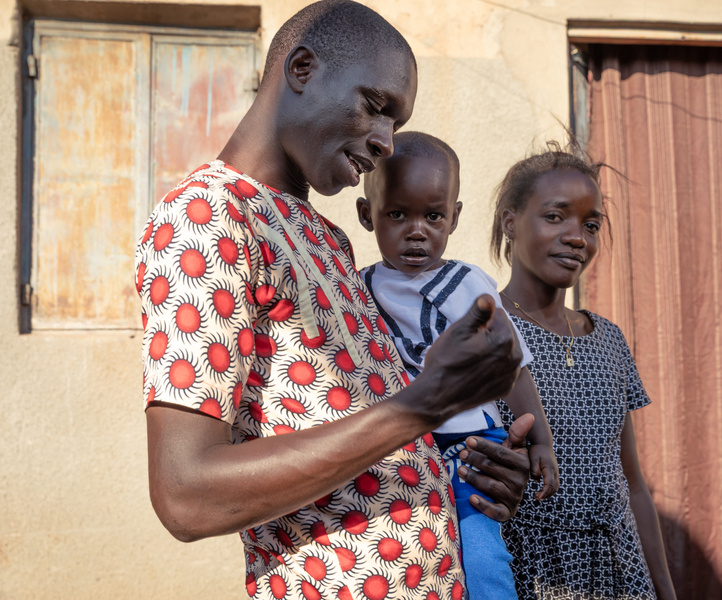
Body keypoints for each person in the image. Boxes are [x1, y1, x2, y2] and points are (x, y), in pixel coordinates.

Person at [134, 2, 532, 599]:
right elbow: (186, 493)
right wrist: (424, 405)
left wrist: (469, 469)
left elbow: (353, 433)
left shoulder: (327, 240)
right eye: (377, 107)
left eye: (396, 124)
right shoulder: (211, 216)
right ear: (302, 69)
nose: (385, 143)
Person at [355, 131, 560, 600]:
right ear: (368, 216)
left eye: (433, 216)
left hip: (471, 449)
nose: (416, 230)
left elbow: (514, 368)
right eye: (397, 214)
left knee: (482, 556)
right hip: (395, 451)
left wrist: (542, 442)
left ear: (454, 217)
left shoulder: (467, 284)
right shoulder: (356, 288)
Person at [490, 146, 677, 600]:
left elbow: (631, 484)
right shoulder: (485, 330)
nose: (578, 237)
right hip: (531, 567)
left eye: (590, 225)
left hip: (619, 568)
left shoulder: (608, 339)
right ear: (511, 222)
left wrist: (665, 589)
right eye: (556, 217)